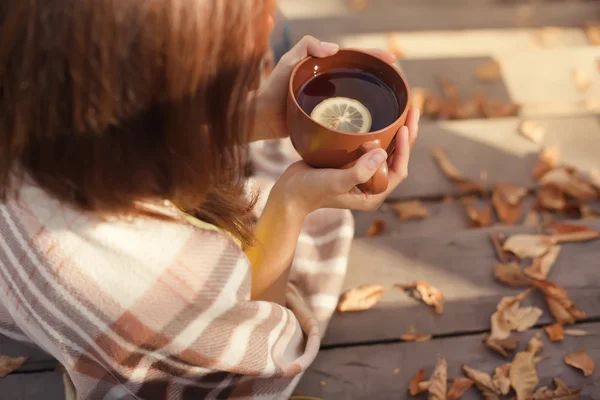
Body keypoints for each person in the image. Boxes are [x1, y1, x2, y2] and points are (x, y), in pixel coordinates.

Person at [0, 0, 419, 399]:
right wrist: (291, 204)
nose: (268, 18)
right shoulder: (158, 283)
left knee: (282, 40)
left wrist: (241, 120)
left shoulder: (32, 92)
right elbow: (261, 359)